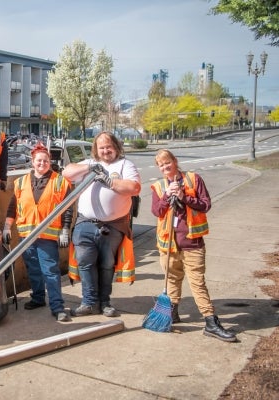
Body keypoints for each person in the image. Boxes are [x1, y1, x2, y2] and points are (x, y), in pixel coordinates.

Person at [151, 149, 236, 342]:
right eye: (161, 165)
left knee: (197, 283)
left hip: (192, 243)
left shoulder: (193, 179)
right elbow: (157, 211)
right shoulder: (158, 186)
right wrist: (166, 196)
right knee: (172, 280)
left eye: (167, 162)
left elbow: (205, 205)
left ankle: (210, 322)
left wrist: (183, 197)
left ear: (175, 161)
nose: (165, 167)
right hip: (168, 245)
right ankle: (171, 314)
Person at [62, 132, 141, 318]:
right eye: (101, 147)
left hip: (113, 226)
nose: (105, 151)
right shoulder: (89, 164)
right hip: (85, 224)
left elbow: (134, 188)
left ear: (116, 147)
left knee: (107, 264)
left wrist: (110, 182)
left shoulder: (125, 165)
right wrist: (89, 167)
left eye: (108, 147)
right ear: (96, 150)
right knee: (85, 263)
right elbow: (67, 173)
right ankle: (89, 302)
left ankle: (104, 302)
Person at [2, 142, 73, 322]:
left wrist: (65, 229)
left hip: (47, 237)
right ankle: (38, 298)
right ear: (32, 162)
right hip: (27, 236)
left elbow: (67, 209)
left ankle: (57, 306)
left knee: (50, 271)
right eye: (39, 161)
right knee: (33, 269)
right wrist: (7, 227)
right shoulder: (20, 183)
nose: (42, 163)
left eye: (45, 160)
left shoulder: (60, 181)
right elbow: (13, 208)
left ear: (50, 162)